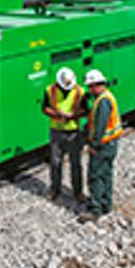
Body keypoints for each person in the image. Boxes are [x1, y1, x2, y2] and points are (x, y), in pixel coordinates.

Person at [79, 69, 124, 223]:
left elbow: (100, 126)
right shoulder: (107, 97)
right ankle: (106, 204)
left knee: (95, 176)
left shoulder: (103, 102)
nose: (89, 90)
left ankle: (95, 209)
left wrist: (94, 144)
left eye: (90, 87)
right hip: (111, 144)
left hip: (103, 145)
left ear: (97, 85)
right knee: (106, 174)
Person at [42, 67, 89, 202]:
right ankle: (55, 189)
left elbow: (86, 110)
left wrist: (72, 115)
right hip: (56, 131)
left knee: (76, 163)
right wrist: (57, 115)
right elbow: (44, 108)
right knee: (55, 162)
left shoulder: (80, 92)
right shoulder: (49, 91)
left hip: (73, 132)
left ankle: (78, 192)